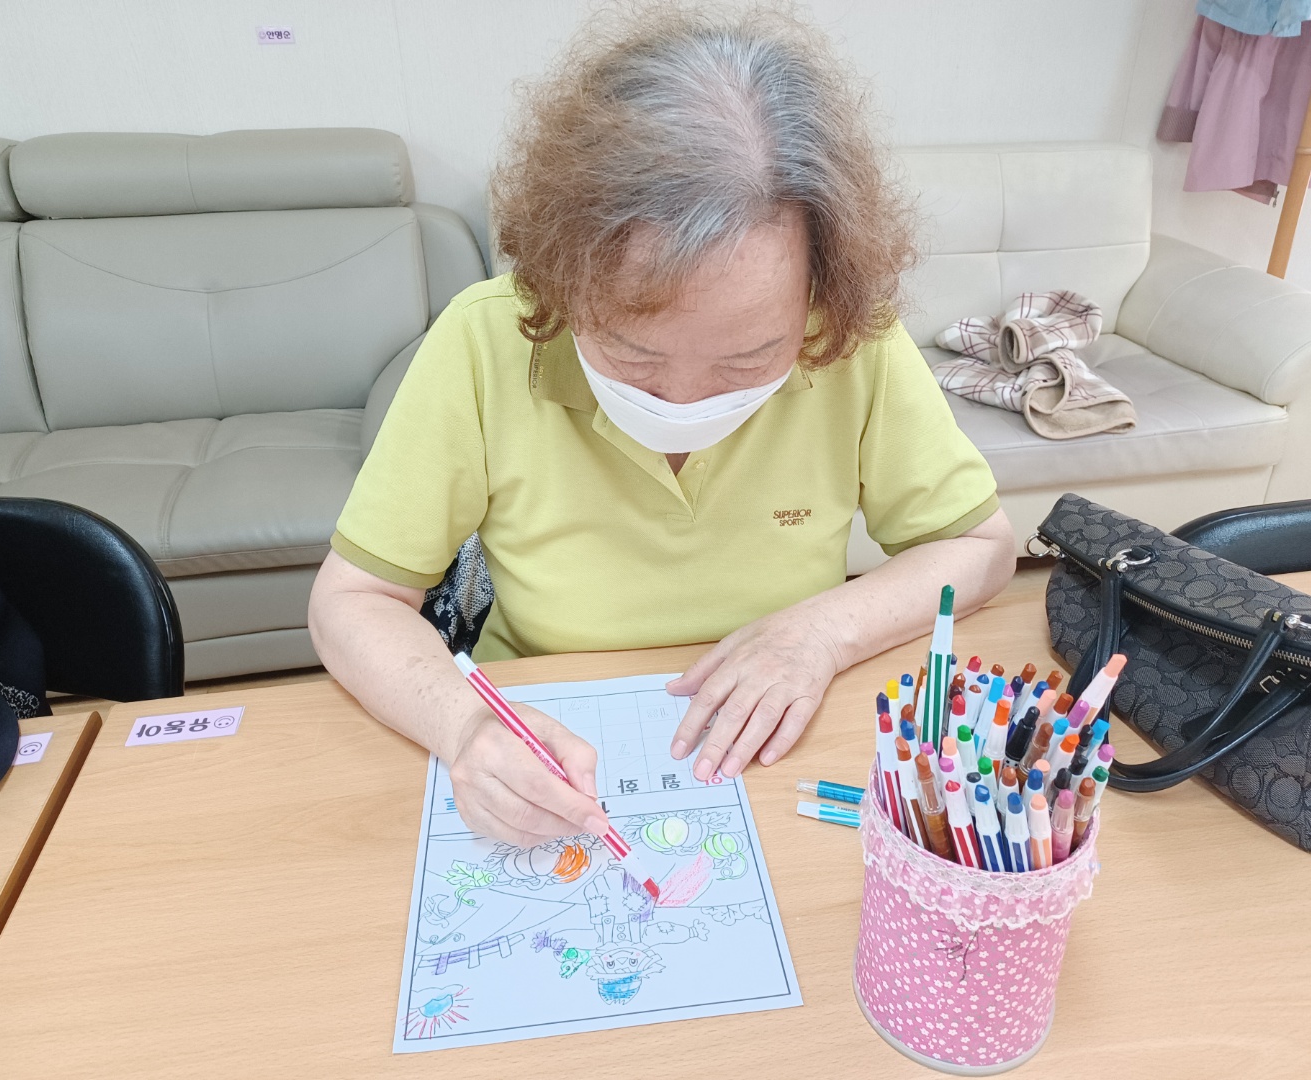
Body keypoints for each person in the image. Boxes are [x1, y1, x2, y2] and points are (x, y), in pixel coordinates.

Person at [308, 4, 1016, 849]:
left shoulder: (851, 338)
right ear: (564, 280)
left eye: (747, 360)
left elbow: (980, 547)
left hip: (776, 744)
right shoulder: (485, 339)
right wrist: (466, 727)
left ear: (818, 296)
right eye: (634, 356)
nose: (683, 405)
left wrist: (822, 632)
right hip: (545, 744)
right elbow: (352, 601)